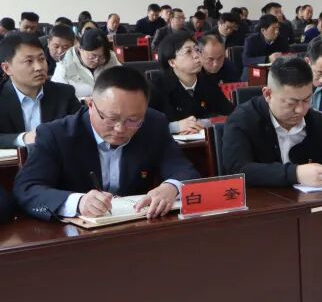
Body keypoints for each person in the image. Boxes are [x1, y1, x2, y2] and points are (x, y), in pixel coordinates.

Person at [14, 66, 200, 221]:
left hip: (136, 227)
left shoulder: (153, 124)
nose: (120, 128)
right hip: (74, 235)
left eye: (133, 120)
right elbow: (26, 189)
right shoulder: (57, 134)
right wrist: (77, 202)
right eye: (111, 118)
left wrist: (171, 187)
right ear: (91, 105)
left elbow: (184, 169)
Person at [221, 57, 322, 187]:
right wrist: (295, 174)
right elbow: (238, 170)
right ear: (268, 94)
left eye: (307, 100)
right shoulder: (242, 120)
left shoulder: (318, 122)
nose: (300, 110)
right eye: (291, 103)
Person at [0, 32, 81, 148]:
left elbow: (81, 130)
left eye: (41, 59)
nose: (39, 67)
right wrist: (22, 139)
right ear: (7, 68)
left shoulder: (64, 94)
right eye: (29, 61)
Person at [148, 32, 234, 134]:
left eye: (197, 50)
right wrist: (175, 127)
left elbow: (230, 113)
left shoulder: (208, 82)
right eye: (188, 52)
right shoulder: (156, 88)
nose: (196, 55)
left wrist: (207, 123)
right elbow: (144, 125)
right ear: (172, 62)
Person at [51, 28, 120, 99]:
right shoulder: (65, 65)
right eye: (92, 56)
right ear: (80, 49)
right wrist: (82, 100)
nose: (96, 60)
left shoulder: (110, 57)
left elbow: (121, 81)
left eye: (101, 56)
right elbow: (58, 97)